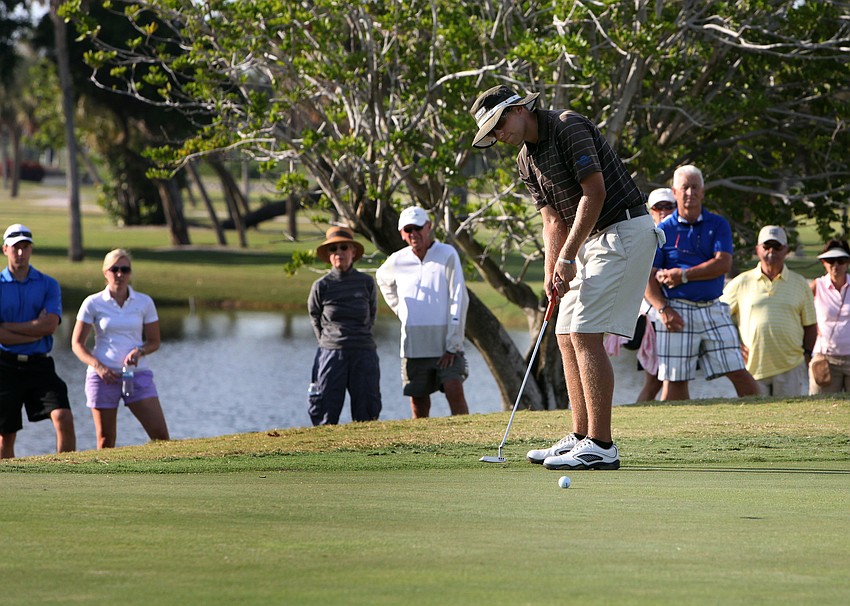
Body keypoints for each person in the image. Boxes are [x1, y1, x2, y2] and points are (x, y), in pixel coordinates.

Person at [470, 84, 658, 470]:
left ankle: (601, 445)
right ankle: (580, 434)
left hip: (623, 229)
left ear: (519, 109)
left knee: (584, 333)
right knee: (564, 332)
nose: (498, 135)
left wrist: (568, 256)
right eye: (491, 132)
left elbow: (594, 194)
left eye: (499, 124)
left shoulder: (567, 126)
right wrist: (550, 272)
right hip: (590, 239)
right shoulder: (525, 160)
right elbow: (552, 221)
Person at [644, 164, 759, 401]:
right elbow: (647, 278)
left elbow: (723, 264)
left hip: (713, 306)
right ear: (675, 192)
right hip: (676, 309)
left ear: (703, 191)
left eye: (695, 187)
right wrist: (663, 310)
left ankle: (762, 416)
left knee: (738, 370)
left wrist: (682, 275)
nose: (690, 193)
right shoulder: (663, 230)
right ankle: (677, 425)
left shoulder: (717, 224)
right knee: (675, 380)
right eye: (685, 187)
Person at [376, 206, 470, 418]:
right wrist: (400, 309)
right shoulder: (397, 260)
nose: (413, 234)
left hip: (446, 344)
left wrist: (453, 343)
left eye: (418, 228)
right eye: (408, 229)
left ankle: (467, 434)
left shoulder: (447, 254)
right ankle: (421, 437)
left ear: (428, 227)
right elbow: (382, 279)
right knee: (418, 401)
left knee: (454, 390)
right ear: (402, 233)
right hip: (413, 345)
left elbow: (459, 298)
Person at [71, 249, 169, 449]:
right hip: (103, 377)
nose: (119, 274)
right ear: (105, 272)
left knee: (161, 436)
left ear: (130, 273)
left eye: (125, 269)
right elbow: (77, 344)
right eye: (114, 269)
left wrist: (140, 351)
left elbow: (154, 341)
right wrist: (99, 367)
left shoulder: (144, 302)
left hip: (137, 374)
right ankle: (106, 472)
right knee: (105, 440)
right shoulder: (92, 303)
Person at [0, 224, 76, 458]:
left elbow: (50, 326)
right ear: (5, 249)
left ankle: (66, 471)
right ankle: (8, 478)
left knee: (63, 416)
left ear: (31, 249)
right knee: (5, 435)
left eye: (25, 247)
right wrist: (35, 330)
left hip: (39, 363)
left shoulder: (48, 284)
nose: (20, 253)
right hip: (4, 365)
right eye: (15, 248)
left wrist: (7, 327)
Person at [722, 226, 817, 396]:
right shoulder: (741, 282)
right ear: (758, 249)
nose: (771, 251)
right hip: (752, 367)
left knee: (789, 413)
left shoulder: (800, 283)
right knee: (753, 412)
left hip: (790, 366)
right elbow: (719, 316)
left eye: (777, 247)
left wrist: (807, 354)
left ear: (786, 250)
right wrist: (733, 346)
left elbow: (810, 324)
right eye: (766, 246)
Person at [307, 226, 382, 425]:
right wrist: (329, 340)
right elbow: (315, 317)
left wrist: (357, 336)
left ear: (353, 251)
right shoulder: (321, 286)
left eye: (343, 247)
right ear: (328, 255)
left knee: (367, 414)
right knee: (325, 413)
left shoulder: (366, 282)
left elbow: (371, 315)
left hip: (363, 352)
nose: (338, 252)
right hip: (331, 353)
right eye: (333, 249)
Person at [635, 188, 677, 402]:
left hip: (674, 310)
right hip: (654, 315)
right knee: (655, 378)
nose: (663, 211)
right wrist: (662, 308)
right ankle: (641, 413)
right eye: (658, 207)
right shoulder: (647, 235)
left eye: (668, 206)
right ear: (650, 211)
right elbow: (644, 279)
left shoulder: (677, 233)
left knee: (671, 375)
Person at [808, 239, 850, 394]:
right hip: (825, 358)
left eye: (841, 261)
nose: (836, 265)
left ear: (848, 262)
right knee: (821, 404)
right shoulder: (816, 286)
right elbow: (801, 313)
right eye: (831, 261)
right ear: (823, 262)